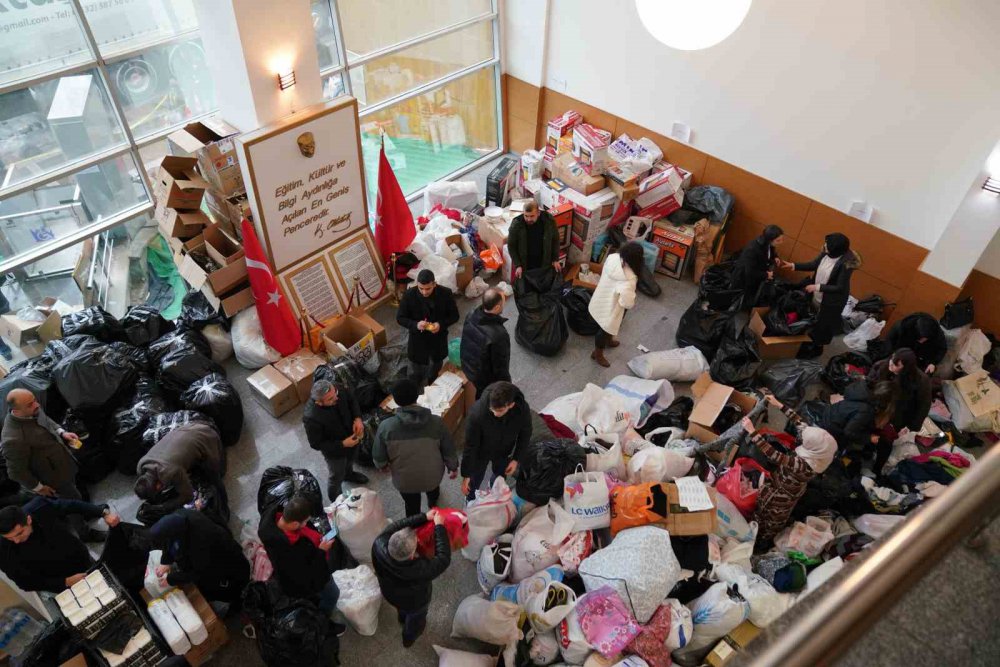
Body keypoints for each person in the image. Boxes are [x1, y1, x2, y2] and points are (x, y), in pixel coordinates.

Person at [1, 388, 101, 541]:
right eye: (30, 404)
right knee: (72, 502)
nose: (37, 405)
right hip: (52, 478)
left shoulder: (32, 410)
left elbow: (46, 420)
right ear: (16, 410)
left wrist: (62, 432)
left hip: (63, 464)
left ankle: (86, 511)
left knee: (76, 493)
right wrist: (39, 487)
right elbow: (15, 472)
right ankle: (84, 532)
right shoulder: (13, 439)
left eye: (34, 400)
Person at [742, 402, 837, 550]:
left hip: (780, 496)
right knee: (769, 517)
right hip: (791, 490)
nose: (802, 438)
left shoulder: (803, 465)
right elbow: (799, 422)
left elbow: (774, 455)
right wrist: (777, 403)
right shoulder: (822, 453)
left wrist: (752, 431)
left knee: (768, 520)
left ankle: (758, 543)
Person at [372, 379, 458, 517]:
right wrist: (452, 467)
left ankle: (415, 520)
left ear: (395, 400)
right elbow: (448, 448)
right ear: (417, 395)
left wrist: (382, 466)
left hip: (404, 482)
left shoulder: (386, 427)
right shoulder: (437, 423)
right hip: (433, 477)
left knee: (411, 504)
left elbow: (378, 457)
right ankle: (433, 503)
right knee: (433, 489)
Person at [258, 494, 344, 630]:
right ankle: (322, 622)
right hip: (309, 580)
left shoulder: (273, 521)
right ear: (294, 524)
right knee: (332, 594)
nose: (306, 524)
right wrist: (321, 551)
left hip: (302, 574)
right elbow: (306, 572)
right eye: (305, 521)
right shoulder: (288, 550)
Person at [0, 497, 120, 593]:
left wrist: (103, 513)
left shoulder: (40, 508)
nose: (16, 541)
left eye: (19, 533)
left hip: (78, 557)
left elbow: (71, 505)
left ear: (29, 520)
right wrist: (64, 582)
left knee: (108, 586)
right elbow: (25, 583)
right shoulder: (3, 551)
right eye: (9, 538)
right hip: (58, 578)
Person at [371, 509, 452, 647]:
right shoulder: (419, 571)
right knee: (415, 622)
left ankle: (402, 618)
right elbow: (443, 558)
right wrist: (439, 526)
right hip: (415, 603)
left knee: (402, 610)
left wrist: (424, 517)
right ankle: (409, 638)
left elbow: (396, 526)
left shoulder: (378, 544)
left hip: (390, 594)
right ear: (411, 555)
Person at [778, 232, 861, 358]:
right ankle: (806, 342)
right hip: (817, 295)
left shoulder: (846, 264)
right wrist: (793, 265)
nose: (824, 246)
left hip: (832, 301)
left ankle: (816, 348)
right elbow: (814, 264)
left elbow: (839, 287)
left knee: (823, 326)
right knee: (813, 319)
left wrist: (817, 287)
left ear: (836, 249)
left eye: (827, 245)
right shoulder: (827, 252)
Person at [148, 509, 251, 609]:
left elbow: (198, 572)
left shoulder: (200, 538)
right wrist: (166, 561)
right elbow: (169, 541)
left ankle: (240, 601)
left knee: (228, 590)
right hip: (209, 558)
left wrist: (171, 579)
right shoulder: (178, 518)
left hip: (227, 566)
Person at [460, 381, 531, 501]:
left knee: (499, 476)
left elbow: (525, 433)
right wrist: (466, 474)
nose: (495, 413)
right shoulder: (477, 414)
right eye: (492, 410)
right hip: (481, 453)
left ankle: (495, 491)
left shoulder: (522, 410)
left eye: (500, 410)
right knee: (475, 478)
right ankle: (470, 499)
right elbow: (470, 446)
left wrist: (516, 459)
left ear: (511, 405)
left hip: (504, 450)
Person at [134, 422, 224, 514]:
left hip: (207, 434)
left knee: (215, 473)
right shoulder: (141, 464)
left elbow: (188, 496)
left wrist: (163, 507)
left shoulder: (170, 471)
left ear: (157, 486)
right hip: (188, 427)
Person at [868, 348, 932, 475]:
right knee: (868, 431)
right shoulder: (883, 366)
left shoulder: (921, 381)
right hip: (877, 408)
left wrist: (912, 426)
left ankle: (877, 468)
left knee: (886, 441)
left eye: (896, 365)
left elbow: (923, 406)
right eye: (892, 361)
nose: (891, 365)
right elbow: (870, 381)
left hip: (896, 417)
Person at [303, 380, 368, 503]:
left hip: (351, 437)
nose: (337, 398)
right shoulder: (311, 418)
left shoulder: (336, 388)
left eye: (335, 393)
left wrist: (358, 418)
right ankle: (337, 500)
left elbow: (352, 400)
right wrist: (343, 444)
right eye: (330, 399)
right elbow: (316, 444)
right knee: (336, 476)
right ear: (319, 402)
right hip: (335, 452)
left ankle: (349, 475)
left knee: (351, 460)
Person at [396, 269, 460, 387]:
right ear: (417, 284)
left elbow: (454, 316)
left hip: (438, 340)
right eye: (421, 288)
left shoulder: (446, 294)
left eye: (428, 289)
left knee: (435, 369)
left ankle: (432, 386)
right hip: (417, 342)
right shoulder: (409, 295)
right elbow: (400, 318)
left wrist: (440, 324)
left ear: (434, 284)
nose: (424, 292)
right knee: (415, 373)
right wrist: (415, 325)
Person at [588, 241, 643, 367]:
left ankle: (608, 341)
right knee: (605, 329)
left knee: (604, 327)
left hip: (601, 298)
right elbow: (627, 303)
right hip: (613, 308)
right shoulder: (629, 278)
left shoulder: (613, 258)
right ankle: (598, 354)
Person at [460, 288, 511, 398]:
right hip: (485, 378)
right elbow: (500, 367)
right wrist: (506, 386)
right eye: (503, 302)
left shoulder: (471, 314)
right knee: (484, 396)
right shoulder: (499, 335)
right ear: (497, 307)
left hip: (469, 368)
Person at [730, 224, 785, 308]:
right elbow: (749, 272)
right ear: (770, 240)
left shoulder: (767, 243)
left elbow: (770, 251)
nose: (781, 242)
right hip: (743, 280)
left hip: (755, 275)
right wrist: (766, 275)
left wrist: (775, 257)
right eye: (778, 240)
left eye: (781, 240)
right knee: (743, 303)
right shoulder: (752, 249)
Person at [507, 200, 561, 279]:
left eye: (532, 216)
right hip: (525, 263)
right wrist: (518, 265)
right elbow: (511, 246)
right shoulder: (517, 224)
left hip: (544, 261)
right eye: (526, 216)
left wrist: (555, 259)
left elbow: (555, 239)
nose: (528, 219)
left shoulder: (548, 221)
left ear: (538, 213)